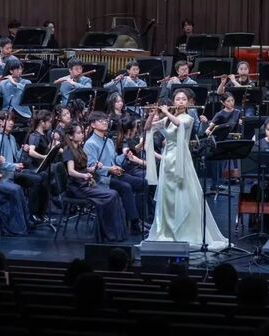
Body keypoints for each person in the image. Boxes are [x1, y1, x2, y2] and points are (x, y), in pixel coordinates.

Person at [145, 89, 228, 248]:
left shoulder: (188, 118)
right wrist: (151, 115)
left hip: (181, 158)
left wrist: (165, 112)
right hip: (167, 160)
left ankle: (184, 230)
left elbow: (179, 124)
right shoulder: (167, 119)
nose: (181, 102)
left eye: (184, 99)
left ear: (188, 102)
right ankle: (167, 230)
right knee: (167, 195)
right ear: (173, 101)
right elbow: (149, 128)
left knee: (182, 193)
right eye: (178, 99)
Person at [62, 123, 128, 242]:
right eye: (78, 133)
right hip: (77, 188)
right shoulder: (68, 151)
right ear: (71, 136)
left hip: (85, 184)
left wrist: (94, 168)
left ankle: (115, 233)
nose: (82, 135)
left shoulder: (79, 149)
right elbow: (71, 171)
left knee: (113, 194)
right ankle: (109, 234)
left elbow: (84, 168)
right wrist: (84, 175)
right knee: (111, 195)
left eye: (81, 132)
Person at [84, 111, 145, 234]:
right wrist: (109, 169)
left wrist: (124, 155)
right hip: (102, 178)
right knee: (126, 187)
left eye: (105, 120)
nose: (105, 122)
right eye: (101, 121)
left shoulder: (109, 141)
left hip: (115, 173)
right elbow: (91, 167)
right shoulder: (90, 144)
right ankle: (134, 223)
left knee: (143, 183)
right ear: (93, 125)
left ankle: (139, 218)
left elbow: (115, 160)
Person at [0, 110, 47, 224]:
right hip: (5, 174)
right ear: (1, 122)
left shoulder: (11, 138)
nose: (11, 123)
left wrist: (23, 150)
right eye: (8, 120)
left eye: (12, 120)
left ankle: (39, 212)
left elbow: (16, 156)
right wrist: (14, 166)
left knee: (42, 175)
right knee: (36, 180)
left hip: (14, 171)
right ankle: (30, 214)